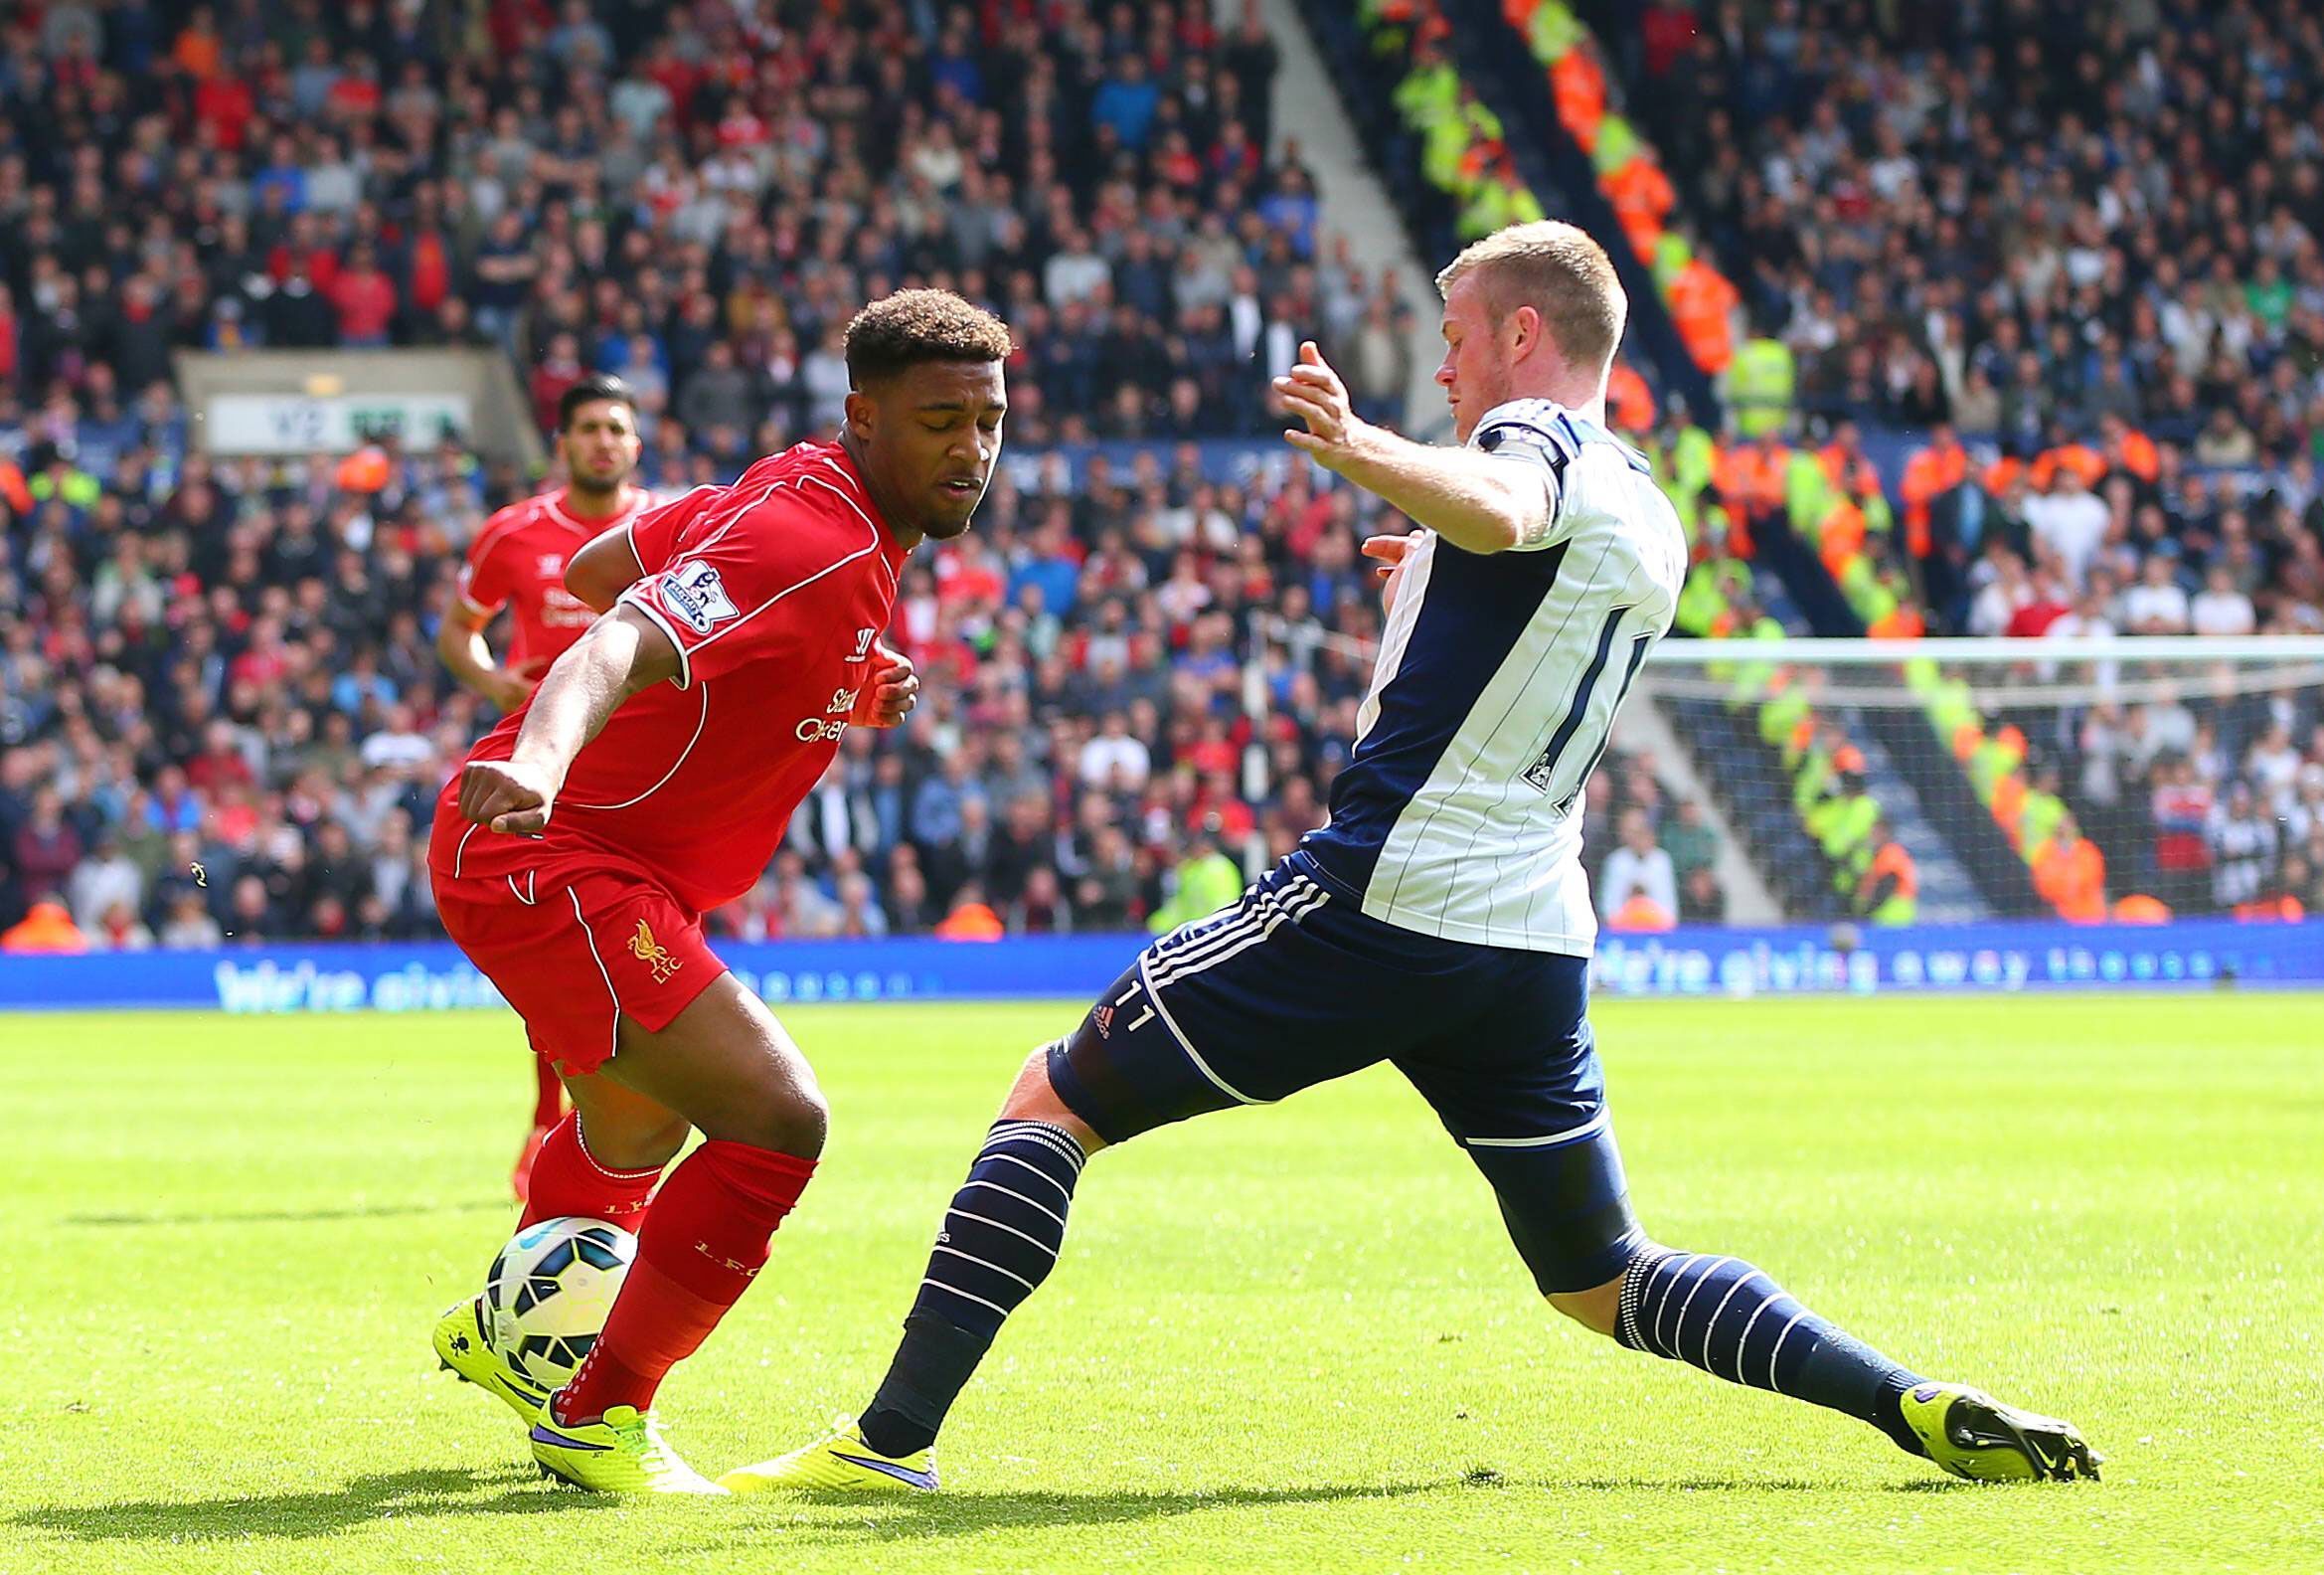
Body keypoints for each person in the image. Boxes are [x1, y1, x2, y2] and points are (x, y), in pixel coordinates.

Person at [728, 222, 2096, 1497]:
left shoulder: (1528, 438)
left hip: (1385, 897)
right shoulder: (1646, 504)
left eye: (1453, 336)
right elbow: (1515, 572)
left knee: (1049, 1102)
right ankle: (1904, 1402)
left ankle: (884, 1445)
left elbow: (1503, 504)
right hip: (1530, 933)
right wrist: (1429, 572)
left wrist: (1362, 448)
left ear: (1517, 336)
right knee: (1600, 1279)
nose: (1439, 364)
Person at [425, 289, 1012, 1492]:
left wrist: (841, 678)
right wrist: (537, 758)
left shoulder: (796, 489)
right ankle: (598, 1418)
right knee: (780, 1119)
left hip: (602, 862)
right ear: (866, 417)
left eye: (989, 420)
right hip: (555, 856)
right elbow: (610, 636)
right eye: (940, 420)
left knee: (637, 1130)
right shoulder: (809, 541)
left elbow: (595, 566)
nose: (971, 450)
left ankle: (509, 1329)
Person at [435, 373, 660, 1202]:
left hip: (648, 766)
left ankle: (620, 1123)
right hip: (549, 769)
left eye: (617, 428)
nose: (603, 440)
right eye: (589, 428)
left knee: (646, 938)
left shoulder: (667, 527)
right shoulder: (515, 534)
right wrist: (498, 689)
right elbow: (460, 633)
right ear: (562, 444)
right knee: (555, 944)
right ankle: (550, 1121)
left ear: (635, 444)